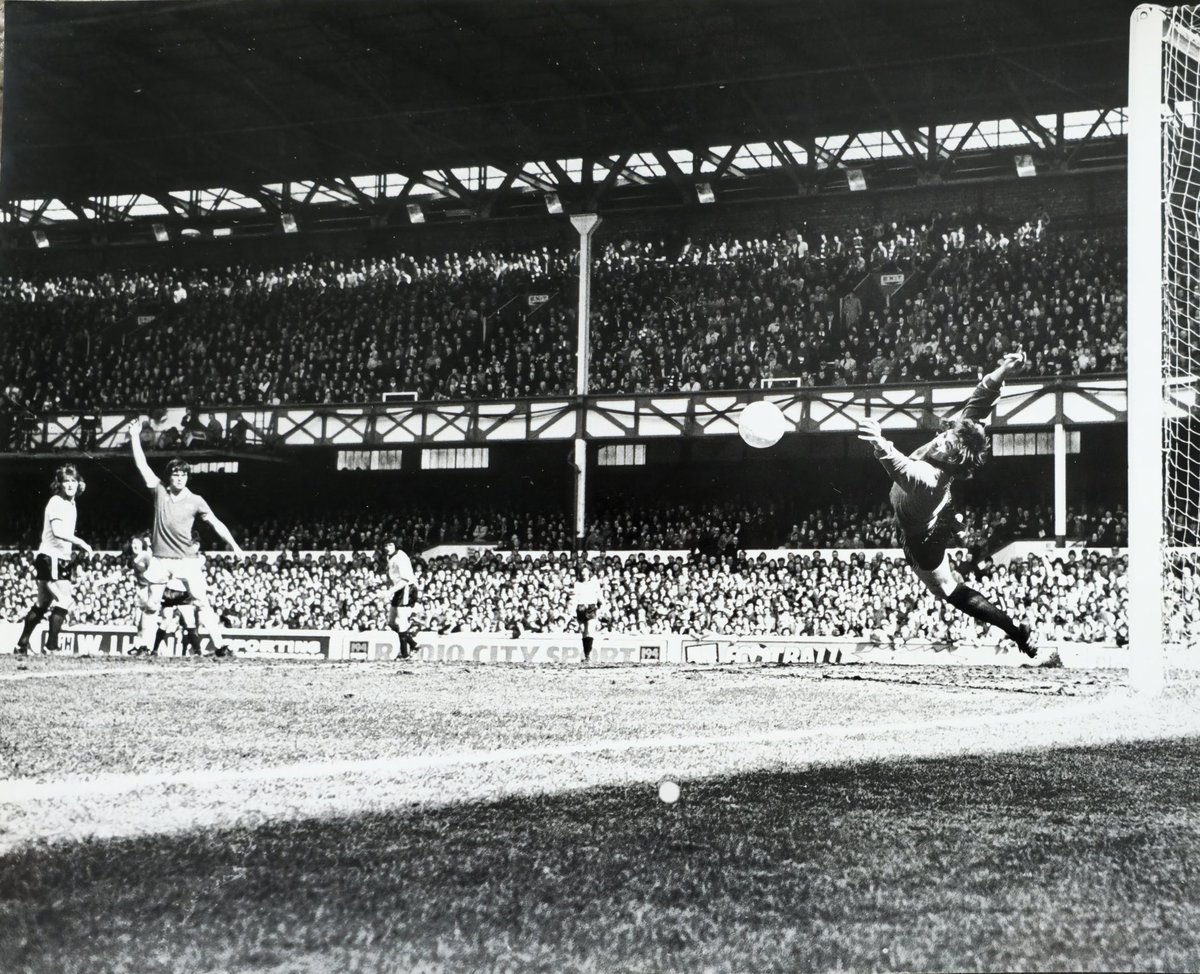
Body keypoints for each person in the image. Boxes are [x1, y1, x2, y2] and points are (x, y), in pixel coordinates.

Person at [855, 351, 1037, 658]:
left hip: (922, 540)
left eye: (947, 445)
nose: (940, 441)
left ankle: (1017, 633)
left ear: (953, 459)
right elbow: (981, 400)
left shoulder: (931, 480)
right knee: (949, 520)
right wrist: (1003, 369)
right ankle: (956, 522)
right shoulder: (957, 438)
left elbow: (901, 468)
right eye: (946, 436)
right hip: (935, 509)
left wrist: (879, 442)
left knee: (949, 590)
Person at [127, 417, 244, 658]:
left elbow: (216, 523)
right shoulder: (160, 491)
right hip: (160, 558)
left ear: (188, 477)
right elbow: (142, 465)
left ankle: (221, 646)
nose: (179, 478)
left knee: (201, 602)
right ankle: (145, 647)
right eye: (175, 474)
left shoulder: (196, 501)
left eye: (183, 474)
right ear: (169, 476)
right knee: (151, 605)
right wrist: (135, 437)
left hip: (187, 560)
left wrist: (234, 545)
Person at [14, 464, 94, 655]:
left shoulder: (70, 504)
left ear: (79, 483)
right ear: (59, 484)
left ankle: (22, 644)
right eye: (66, 481)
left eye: (73, 480)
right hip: (52, 558)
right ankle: (51, 646)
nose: (70, 485)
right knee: (64, 600)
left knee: (42, 603)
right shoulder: (57, 502)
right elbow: (58, 532)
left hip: (54, 557)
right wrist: (82, 543)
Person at [380, 541, 418, 660]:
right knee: (391, 622)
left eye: (390, 545)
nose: (388, 548)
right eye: (386, 545)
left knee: (401, 622)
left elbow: (405, 580)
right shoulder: (389, 557)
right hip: (399, 589)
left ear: (395, 545)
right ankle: (413, 644)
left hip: (407, 588)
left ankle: (404, 654)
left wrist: (388, 592)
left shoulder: (400, 558)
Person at [571, 562, 604, 662]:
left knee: (590, 630)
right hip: (580, 608)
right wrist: (572, 610)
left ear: (589, 572)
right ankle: (586, 655)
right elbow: (575, 598)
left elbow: (599, 595)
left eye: (586, 571)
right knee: (583, 632)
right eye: (582, 571)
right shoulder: (577, 584)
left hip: (591, 607)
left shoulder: (594, 582)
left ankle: (588, 655)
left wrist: (603, 606)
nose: (584, 573)